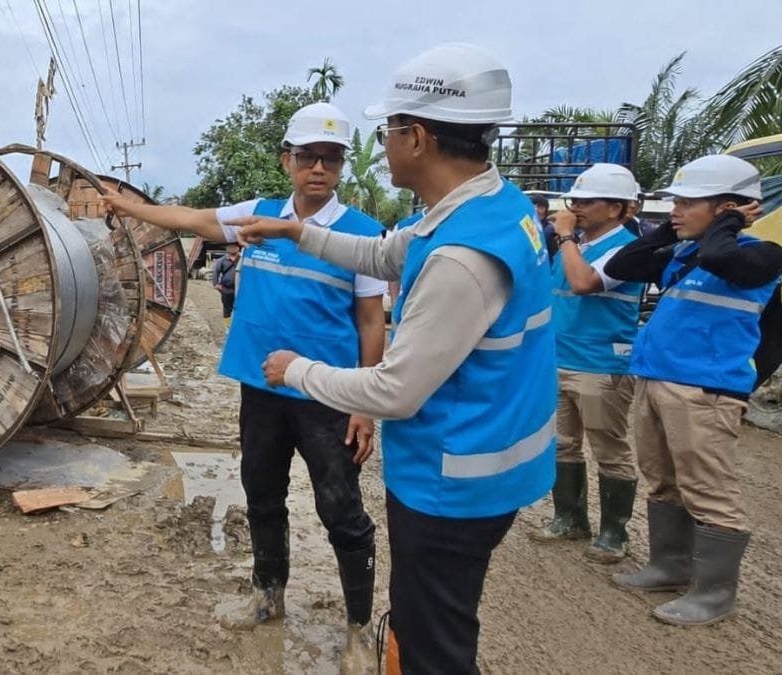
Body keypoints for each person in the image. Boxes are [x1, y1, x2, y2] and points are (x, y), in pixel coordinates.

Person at [231, 43, 555, 674]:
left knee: (432, 646)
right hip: (485, 458)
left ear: (418, 137)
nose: (382, 145)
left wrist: (296, 371)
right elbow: (384, 255)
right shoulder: (490, 207)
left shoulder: (462, 258)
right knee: (432, 626)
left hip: (453, 482)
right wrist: (299, 232)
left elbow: (396, 391)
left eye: (388, 131)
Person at [100, 102, 389, 672]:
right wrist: (130, 206)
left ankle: (358, 628)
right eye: (308, 156)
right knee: (262, 494)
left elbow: (370, 321)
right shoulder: (256, 215)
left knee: (341, 511)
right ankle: (267, 595)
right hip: (262, 391)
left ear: (341, 166)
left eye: (331, 158)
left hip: (329, 397)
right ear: (287, 161)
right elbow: (191, 219)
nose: (319, 168)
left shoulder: (360, 235)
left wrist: (365, 405)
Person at [606, 154, 782, 626]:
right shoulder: (685, 253)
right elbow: (625, 262)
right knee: (663, 479)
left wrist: (728, 224)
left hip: (705, 392)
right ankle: (670, 566)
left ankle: (715, 593)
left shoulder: (763, 255)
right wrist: (673, 229)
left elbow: (722, 257)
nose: (675, 211)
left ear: (730, 208)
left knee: (708, 489)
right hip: (658, 379)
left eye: (687, 203)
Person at [530, 164, 644, 564]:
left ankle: (614, 531)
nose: (576, 207)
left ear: (617, 208)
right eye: (574, 200)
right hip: (559, 357)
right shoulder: (574, 246)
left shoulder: (626, 249)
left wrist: (564, 237)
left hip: (600, 363)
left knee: (609, 448)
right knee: (563, 443)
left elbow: (583, 283)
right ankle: (570, 517)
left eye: (587, 201)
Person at [211, 243, 240, 326]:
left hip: (240, 289)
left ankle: (237, 326)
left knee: (240, 308)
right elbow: (216, 272)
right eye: (230, 246)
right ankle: (228, 327)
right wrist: (216, 284)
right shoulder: (222, 260)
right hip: (226, 288)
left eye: (234, 246)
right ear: (227, 248)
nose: (232, 248)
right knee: (227, 309)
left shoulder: (242, 259)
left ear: (238, 248)